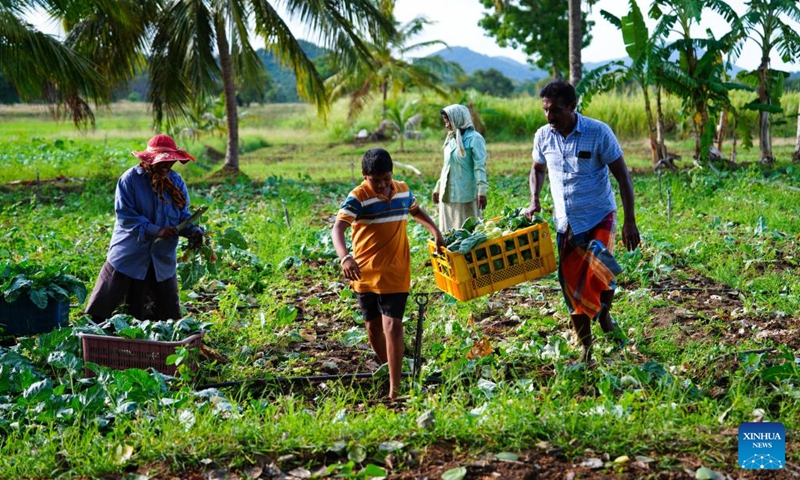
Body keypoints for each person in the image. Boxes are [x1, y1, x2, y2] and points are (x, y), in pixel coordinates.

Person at [522, 80, 641, 365]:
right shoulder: (543, 136)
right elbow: (537, 169)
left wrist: (630, 221)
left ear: (572, 107)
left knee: (599, 274)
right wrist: (534, 197)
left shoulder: (598, 132)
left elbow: (623, 176)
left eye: (556, 111)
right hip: (566, 223)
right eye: (545, 110)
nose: (550, 117)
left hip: (599, 215)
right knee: (572, 287)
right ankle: (587, 350)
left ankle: (605, 314)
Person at [332, 148, 445, 399]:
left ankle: (395, 389)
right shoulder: (357, 197)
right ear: (365, 177)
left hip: (396, 271)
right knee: (373, 328)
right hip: (364, 273)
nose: (383, 186)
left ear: (392, 174)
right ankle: (392, 368)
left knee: (392, 326)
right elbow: (337, 228)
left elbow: (415, 211)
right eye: (376, 181)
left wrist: (436, 231)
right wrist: (345, 257)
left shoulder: (402, 189)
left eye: (387, 179)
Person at [84, 134, 204, 322]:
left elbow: (182, 216)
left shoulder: (176, 182)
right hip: (129, 257)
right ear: (149, 160)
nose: (167, 166)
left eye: (170, 161)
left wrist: (193, 231)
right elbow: (126, 217)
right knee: (105, 317)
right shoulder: (130, 180)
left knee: (166, 321)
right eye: (162, 162)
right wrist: (157, 230)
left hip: (162, 259)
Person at [432, 104, 488, 232]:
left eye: (448, 121)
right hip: (447, 195)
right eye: (445, 121)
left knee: (467, 231)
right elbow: (446, 167)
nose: (446, 125)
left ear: (458, 118)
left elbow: (480, 166)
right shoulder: (451, 139)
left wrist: (482, 191)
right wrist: (438, 187)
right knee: (449, 232)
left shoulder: (475, 139)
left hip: (465, 195)